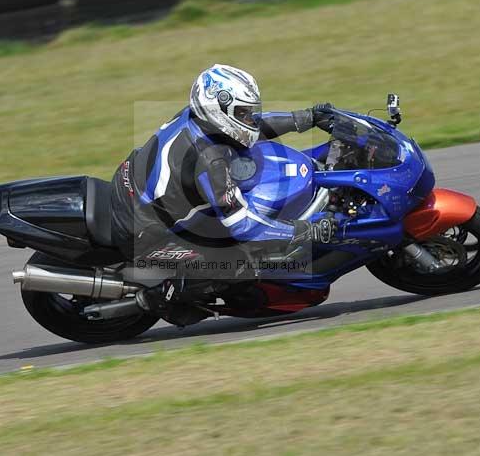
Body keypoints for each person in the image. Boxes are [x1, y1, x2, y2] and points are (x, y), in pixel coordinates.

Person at [109, 64, 336, 322]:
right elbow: (246, 227)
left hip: (131, 188)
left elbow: (248, 128)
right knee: (241, 262)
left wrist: (305, 118)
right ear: (218, 110)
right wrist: (305, 231)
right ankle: (162, 297)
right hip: (143, 231)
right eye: (243, 112)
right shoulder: (210, 161)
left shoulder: (197, 118)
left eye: (250, 111)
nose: (250, 118)